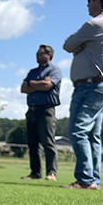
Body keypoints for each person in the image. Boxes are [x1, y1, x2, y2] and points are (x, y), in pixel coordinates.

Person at [62, 0, 103, 190]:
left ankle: (85, 180)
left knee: (77, 131)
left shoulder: (94, 24)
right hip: (101, 86)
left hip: (89, 87)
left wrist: (80, 46)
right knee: (93, 135)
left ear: (97, 1)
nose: (87, 3)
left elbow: (68, 44)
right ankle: (93, 179)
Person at [20, 44, 62, 181]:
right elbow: (23, 88)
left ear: (48, 55)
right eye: (37, 54)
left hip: (46, 110)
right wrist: (37, 84)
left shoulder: (54, 70)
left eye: (40, 54)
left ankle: (51, 173)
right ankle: (35, 172)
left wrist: (32, 84)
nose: (37, 56)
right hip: (32, 110)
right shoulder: (33, 72)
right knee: (33, 143)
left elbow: (47, 86)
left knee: (48, 142)